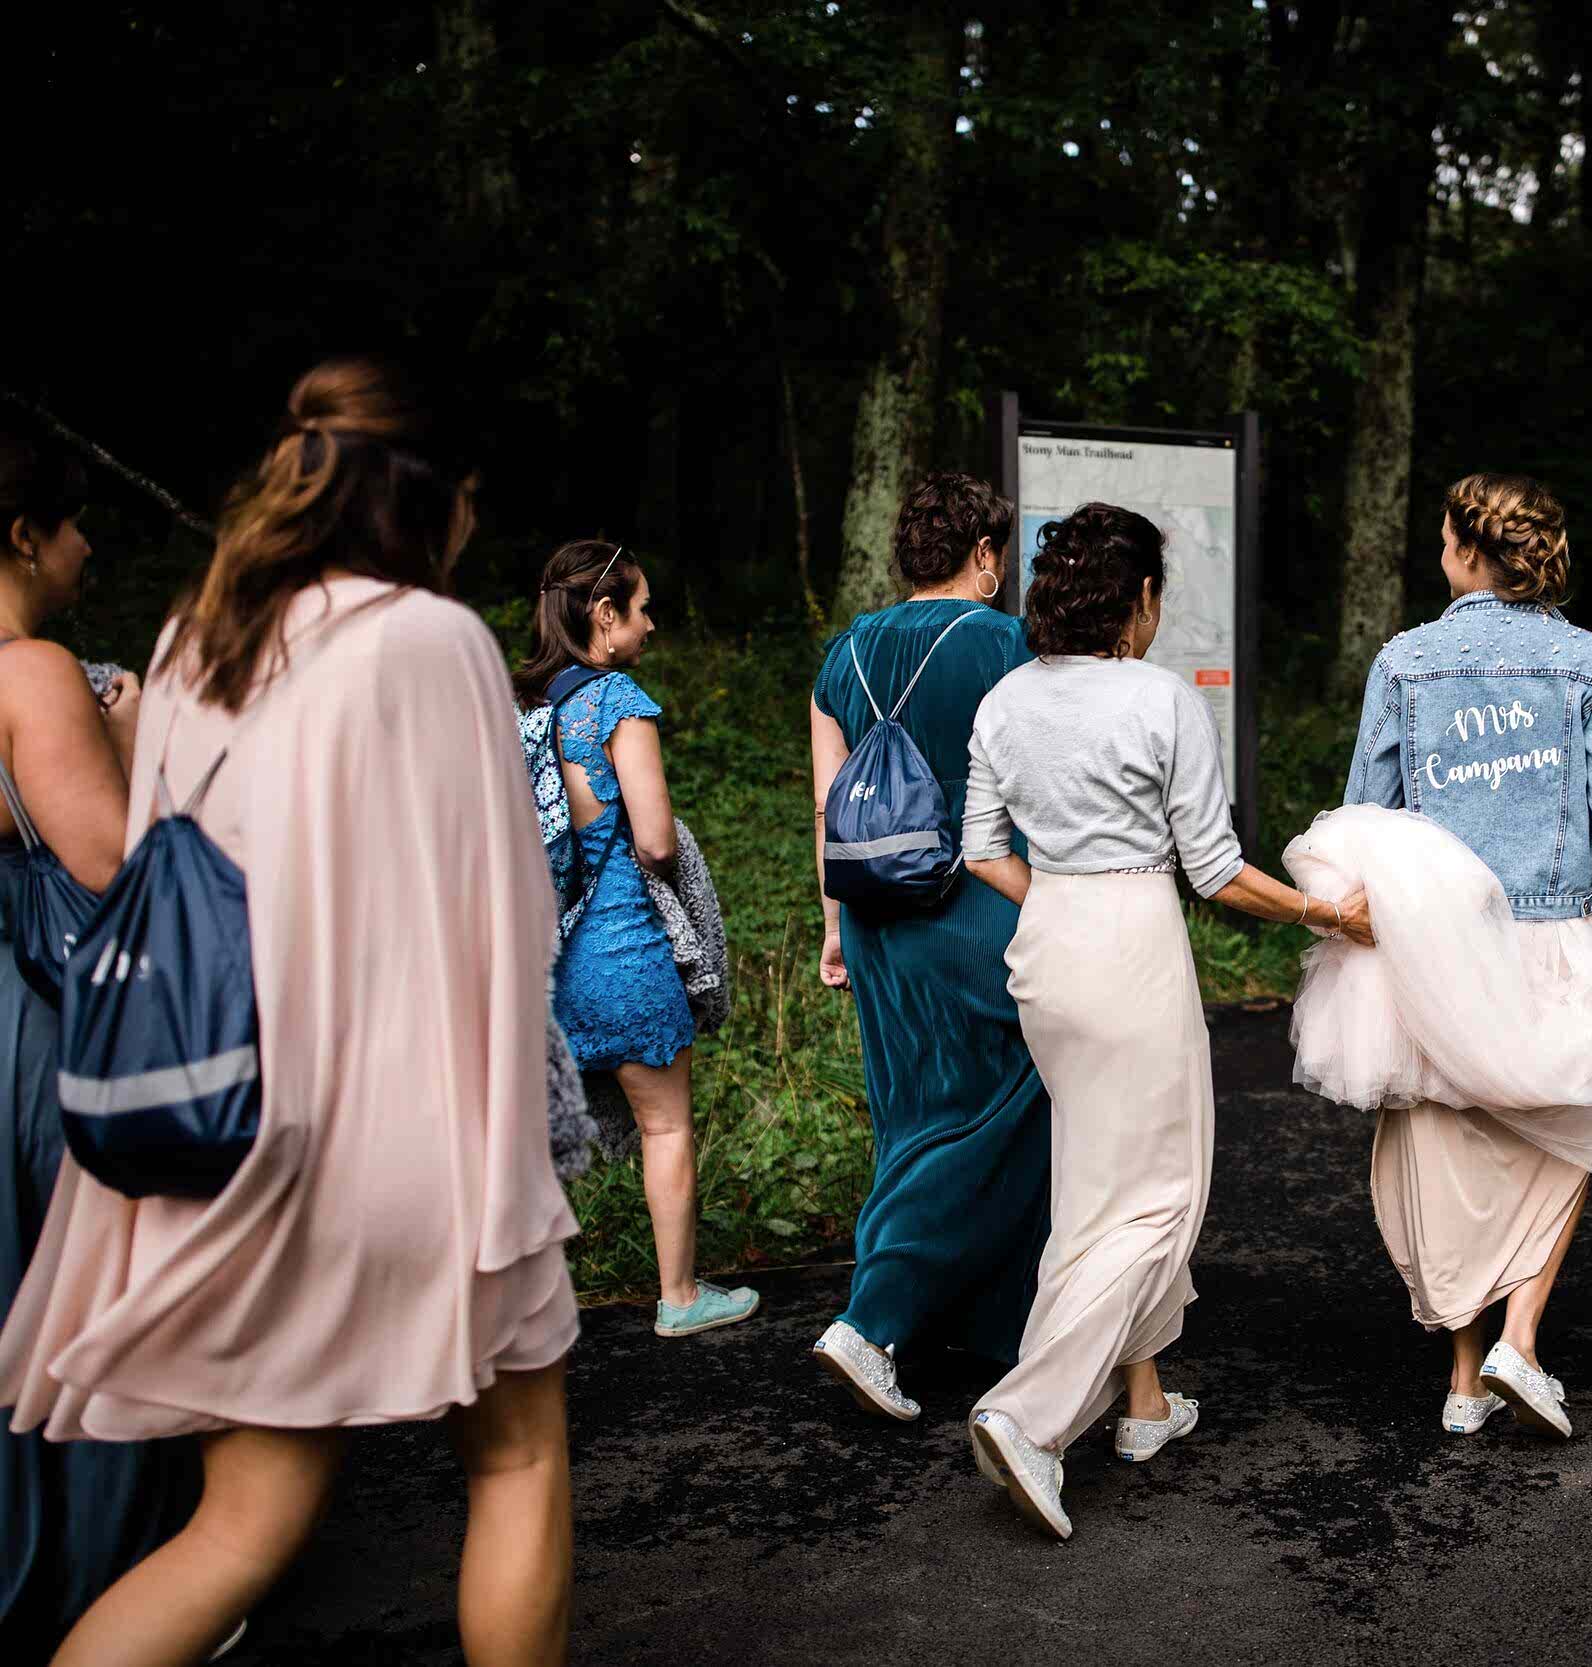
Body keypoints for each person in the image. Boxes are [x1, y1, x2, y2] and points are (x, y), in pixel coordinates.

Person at [0, 358, 578, 1667]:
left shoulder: (194, 640)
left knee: (241, 1521)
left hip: (227, 1134)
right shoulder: (434, 639)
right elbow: (504, 907)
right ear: (429, 497)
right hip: (404, 1146)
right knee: (518, 1455)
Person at [957, 501, 1374, 1541]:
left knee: (1095, 1181)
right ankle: (1031, 1412)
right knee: (1159, 1197)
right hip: (1134, 940)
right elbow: (1217, 869)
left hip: (1047, 939)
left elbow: (977, 848)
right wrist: (1325, 911)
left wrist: (1056, 896)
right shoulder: (1161, 697)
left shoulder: (1005, 698)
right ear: (1139, 598)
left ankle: (1142, 1405)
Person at [1325, 471, 1592, 1441]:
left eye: (1443, 534)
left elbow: (1370, 804)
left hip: (1439, 941)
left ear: (1463, 547)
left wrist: (1360, 906)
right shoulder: (1590, 663)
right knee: (1565, 1123)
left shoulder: (1404, 662)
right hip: (1558, 932)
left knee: (1447, 1139)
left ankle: (1463, 1375)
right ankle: (1520, 1339)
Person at [0, 422, 201, 1656]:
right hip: (42, 1023)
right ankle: (109, 1588)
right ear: (26, 533)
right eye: (76, 528)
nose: (84, 551)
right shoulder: (31, 670)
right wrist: (134, 739)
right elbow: (117, 869)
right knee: (91, 1299)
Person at [807, 474, 1049, 1419]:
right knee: (1009, 1108)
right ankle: (873, 1319)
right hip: (983, 904)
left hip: (877, 913)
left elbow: (833, 806)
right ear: (985, 555)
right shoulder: (1011, 645)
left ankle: (977, 1325)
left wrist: (833, 924)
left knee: (911, 1112)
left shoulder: (848, 653)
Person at [516, 541, 757, 1340]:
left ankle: (524, 1298)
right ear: (604, 613)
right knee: (666, 1125)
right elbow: (652, 840)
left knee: (545, 1133)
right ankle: (680, 1294)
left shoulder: (528, 706)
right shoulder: (616, 699)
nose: (652, 623)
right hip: (624, 950)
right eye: (643, 607)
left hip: (552, 956)